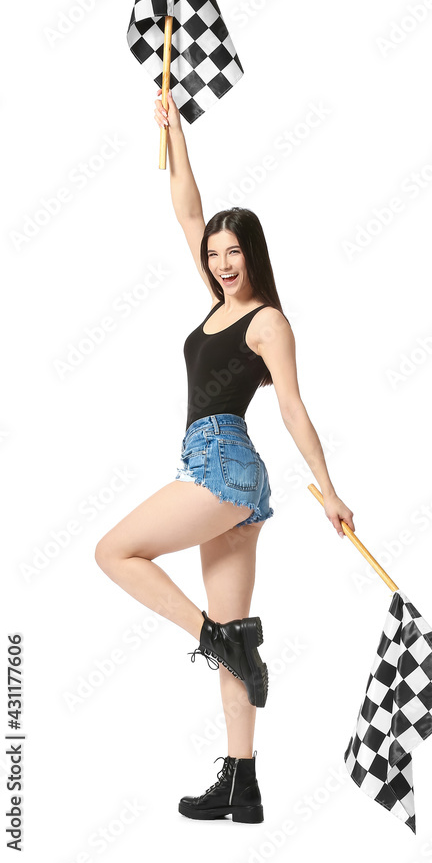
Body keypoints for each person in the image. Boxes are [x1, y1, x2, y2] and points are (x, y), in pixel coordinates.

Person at [94, 88, 355, 825]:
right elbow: (186, 208)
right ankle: (242, 784)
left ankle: (215, 640)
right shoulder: (216, 301)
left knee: (113, 552)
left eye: (232, 251)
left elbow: (292, 407)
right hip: (228, 476)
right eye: (214, 254)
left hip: (224, 465)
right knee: (238, 634)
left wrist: (329, 490)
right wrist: (173, 132)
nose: (220, 261)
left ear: (253, 256)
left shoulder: (268, 321)